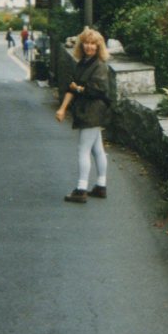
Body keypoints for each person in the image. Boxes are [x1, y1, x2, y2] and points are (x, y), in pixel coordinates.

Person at [55, 27, 111, 203]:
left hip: (93, 111)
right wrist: (62, 108)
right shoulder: (83, 63)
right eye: (86, 43)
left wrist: (79, 89)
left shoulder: (100, 65)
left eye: (93, 43)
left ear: (99, 46)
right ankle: (101, 186)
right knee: (97, 149)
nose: (89, 46)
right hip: (88, 110)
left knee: (83, 149)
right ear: (81, 45)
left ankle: (81, 190)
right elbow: (71, 87)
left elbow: (98, 90)